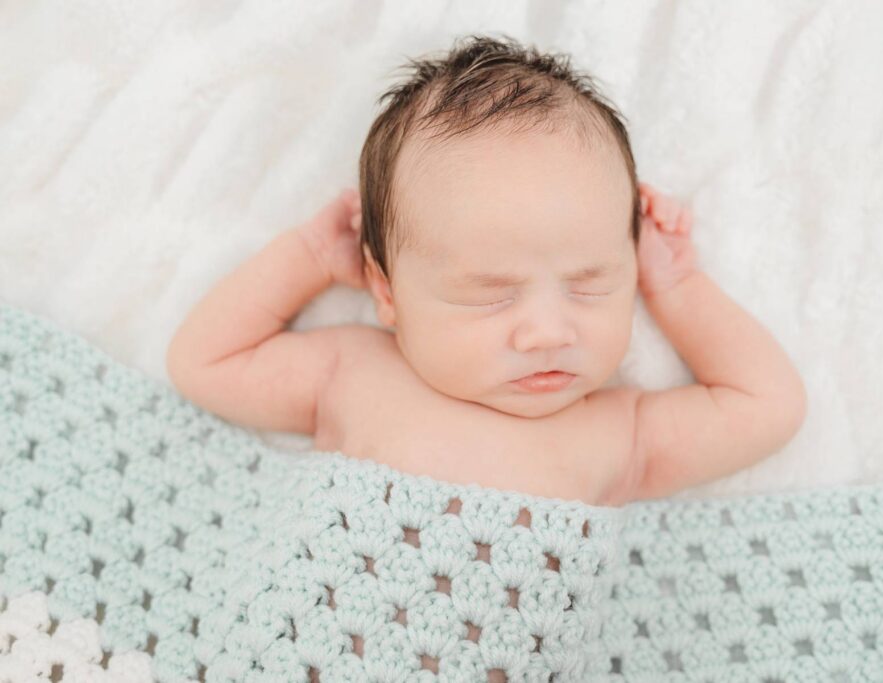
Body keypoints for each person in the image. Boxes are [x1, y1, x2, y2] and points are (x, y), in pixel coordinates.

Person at [166, 34, 806, 507]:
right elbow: (206, 362)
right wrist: (308, 258)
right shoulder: (352, 372)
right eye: (490, 296)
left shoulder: (617, 433)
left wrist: (677, 287)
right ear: (386, 292)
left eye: (591, 283)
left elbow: (767, 407)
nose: (548, 333)